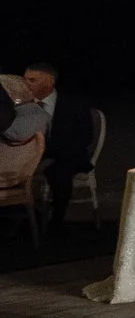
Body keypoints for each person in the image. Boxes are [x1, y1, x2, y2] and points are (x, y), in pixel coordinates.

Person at [2, 62, 93, 214]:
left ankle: (56, 220)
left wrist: (51, 155)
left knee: (59, 173)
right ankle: (19, 217)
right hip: (32, 156)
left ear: (49, 82)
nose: (26, 85)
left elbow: (84, 137)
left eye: (32, 80)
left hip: (66, 155)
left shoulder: (73, 105)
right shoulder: (21, 107)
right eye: (25, 80)